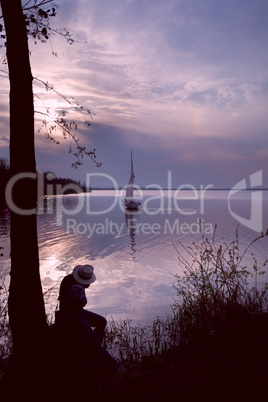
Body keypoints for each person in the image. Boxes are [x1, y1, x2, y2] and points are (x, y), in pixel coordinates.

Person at [55, 264, 125, 375]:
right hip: (70, 315)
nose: (88, 284)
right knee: (93, 338)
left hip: (74, 311)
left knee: (101, 322)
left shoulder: (68, 278)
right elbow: (83, 302)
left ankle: (93, 355)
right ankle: (114, 366)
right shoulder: (77, 287)